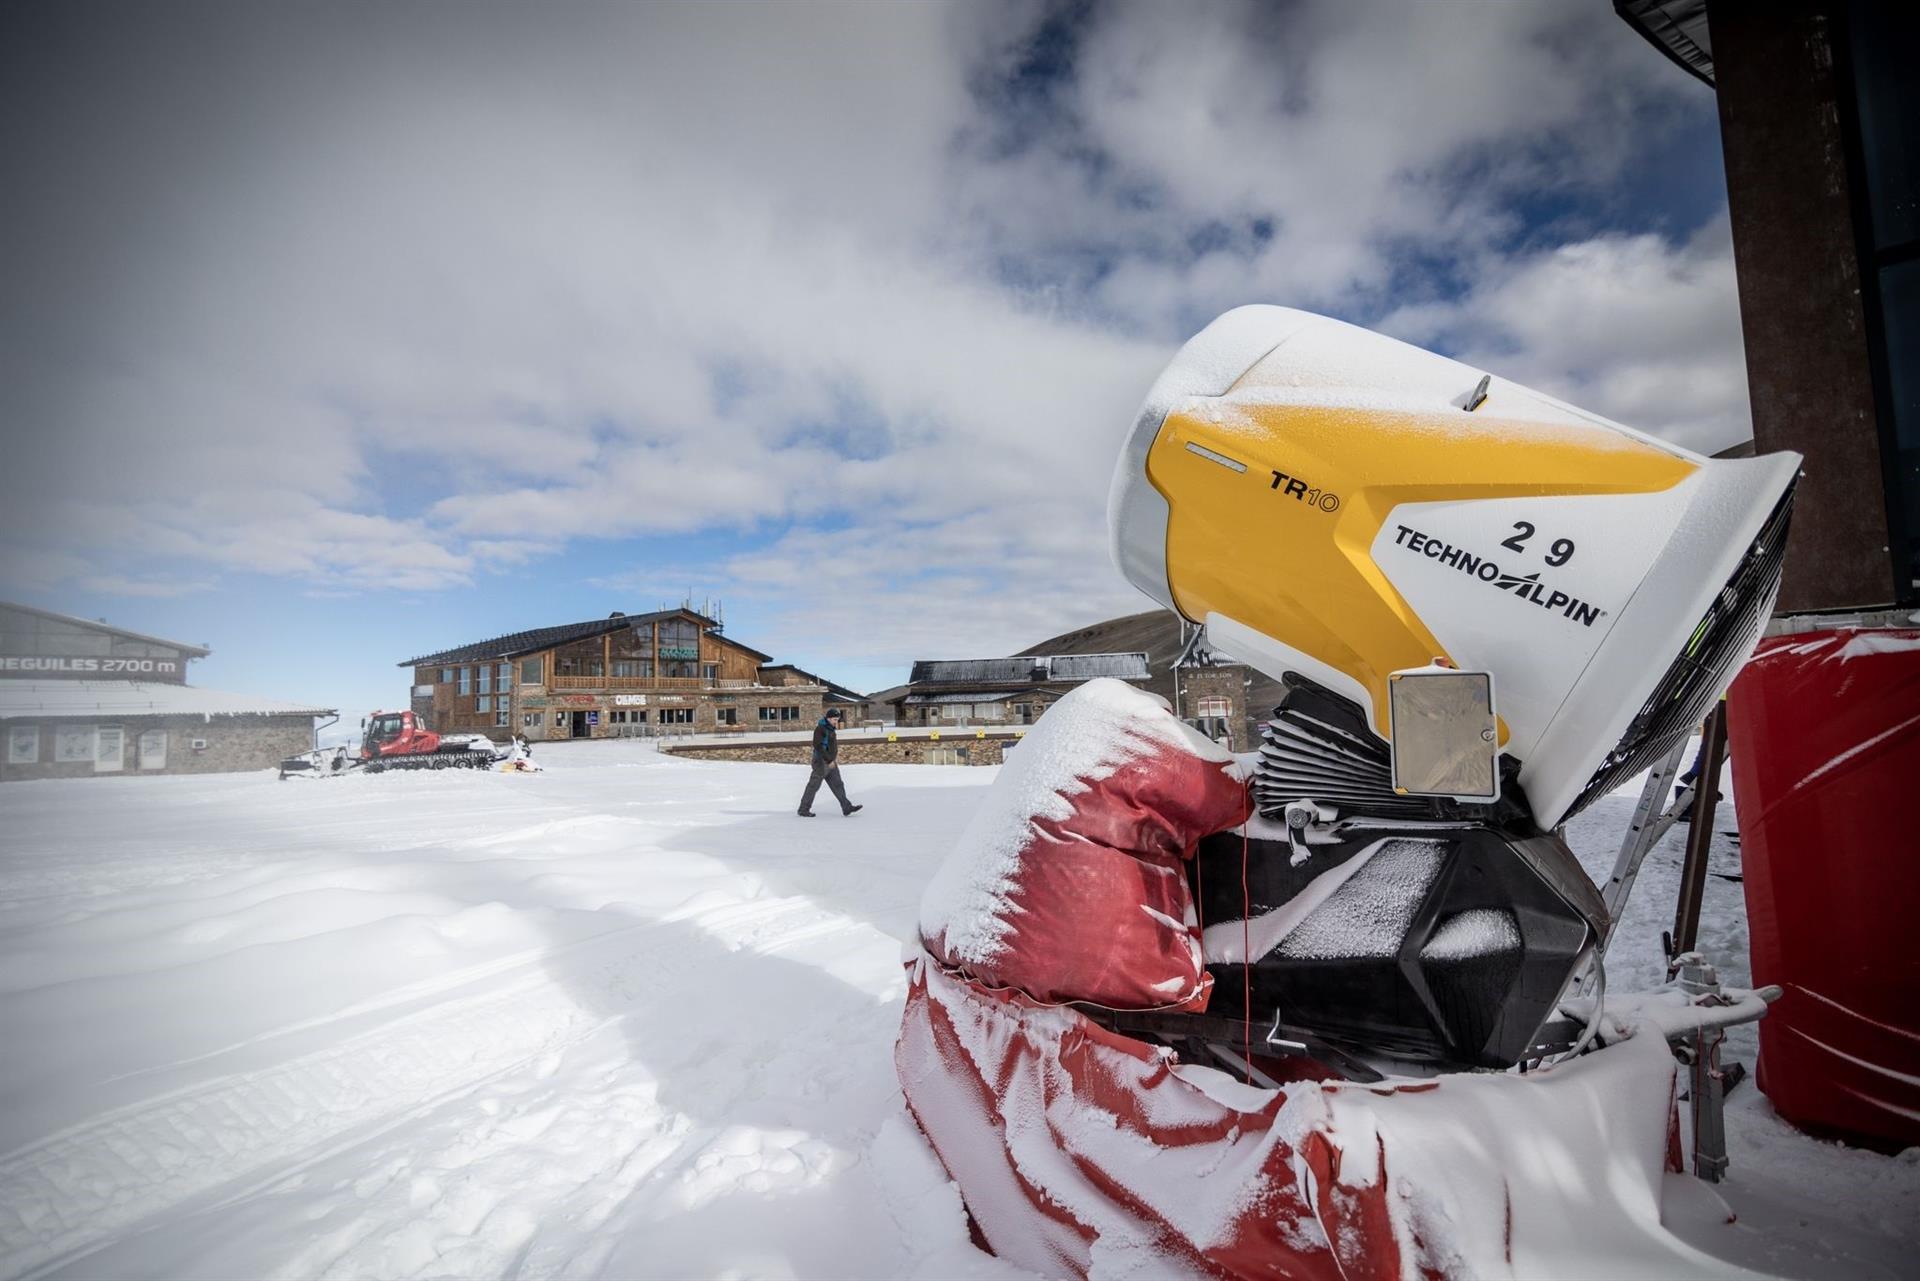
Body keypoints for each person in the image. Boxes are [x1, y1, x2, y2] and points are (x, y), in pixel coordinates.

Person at [798, 707, 863, 817]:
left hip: (830, 762)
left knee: (838, 784)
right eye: (834, 719)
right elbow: (818, 746)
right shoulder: (820, 729)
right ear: (828, 718)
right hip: (821, 762)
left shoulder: (830, 729)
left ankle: (846, 807)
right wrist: (828, 760)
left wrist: (831, 760)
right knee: (813, 786)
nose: (836, 722)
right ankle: (803, 809)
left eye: (837, 719)